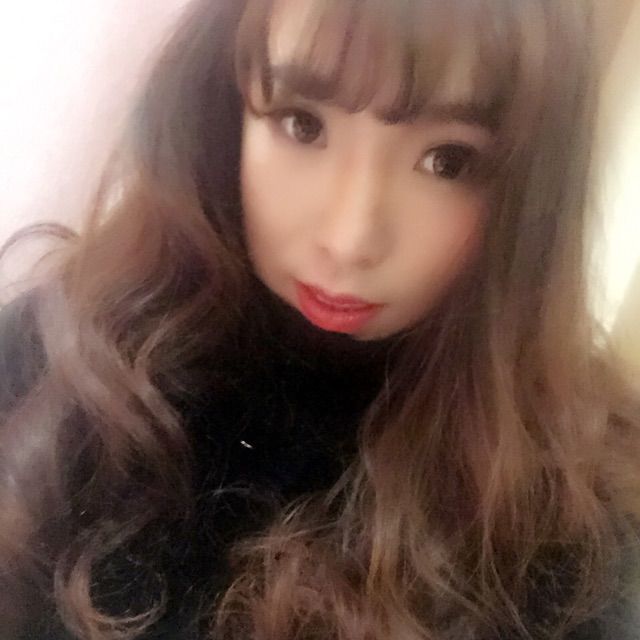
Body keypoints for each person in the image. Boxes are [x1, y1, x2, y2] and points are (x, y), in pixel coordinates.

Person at [1, 0, 639, 638]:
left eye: (448, 161)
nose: (348, 240)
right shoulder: (60, 357)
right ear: (224, 108)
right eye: (302, 124)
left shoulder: (574, 524)